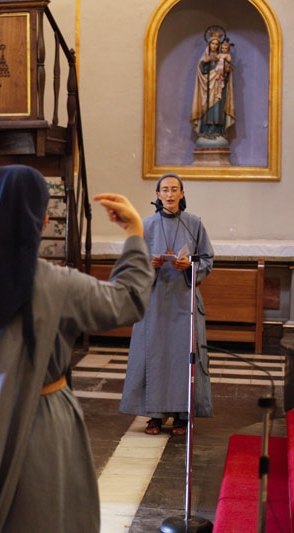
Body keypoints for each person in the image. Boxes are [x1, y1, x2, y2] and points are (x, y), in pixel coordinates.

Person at [0, 165, 154, 532]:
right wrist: (135, 234)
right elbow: (128, 301)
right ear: (42, 220)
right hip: (43, 426)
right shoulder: (59, 283)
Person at [120, 173, 214, 436]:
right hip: (155, 302)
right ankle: (155, 417)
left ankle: (183, 416)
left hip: (184, 301)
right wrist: (148, 263)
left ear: (182, 194)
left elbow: (207, 259)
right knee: (155, 356)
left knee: (183, 358)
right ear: (158, 194)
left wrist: (190, 265)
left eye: (175, 189)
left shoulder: (194, 224)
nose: (170, 194)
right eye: (165, 190)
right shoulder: (146, 224)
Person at [191, 32, 235, 139]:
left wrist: (226, 70)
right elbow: (201, 72)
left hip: (220, 86)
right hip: (207, 87)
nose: (214, 46)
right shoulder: (205, 58)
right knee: (207, 107)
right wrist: (204, 63)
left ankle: (218, 131)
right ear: (209, 45)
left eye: (216, 44)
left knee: (218, 108)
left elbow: (228, 73)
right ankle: (206, 131)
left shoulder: (222, 58)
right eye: (212, 44)